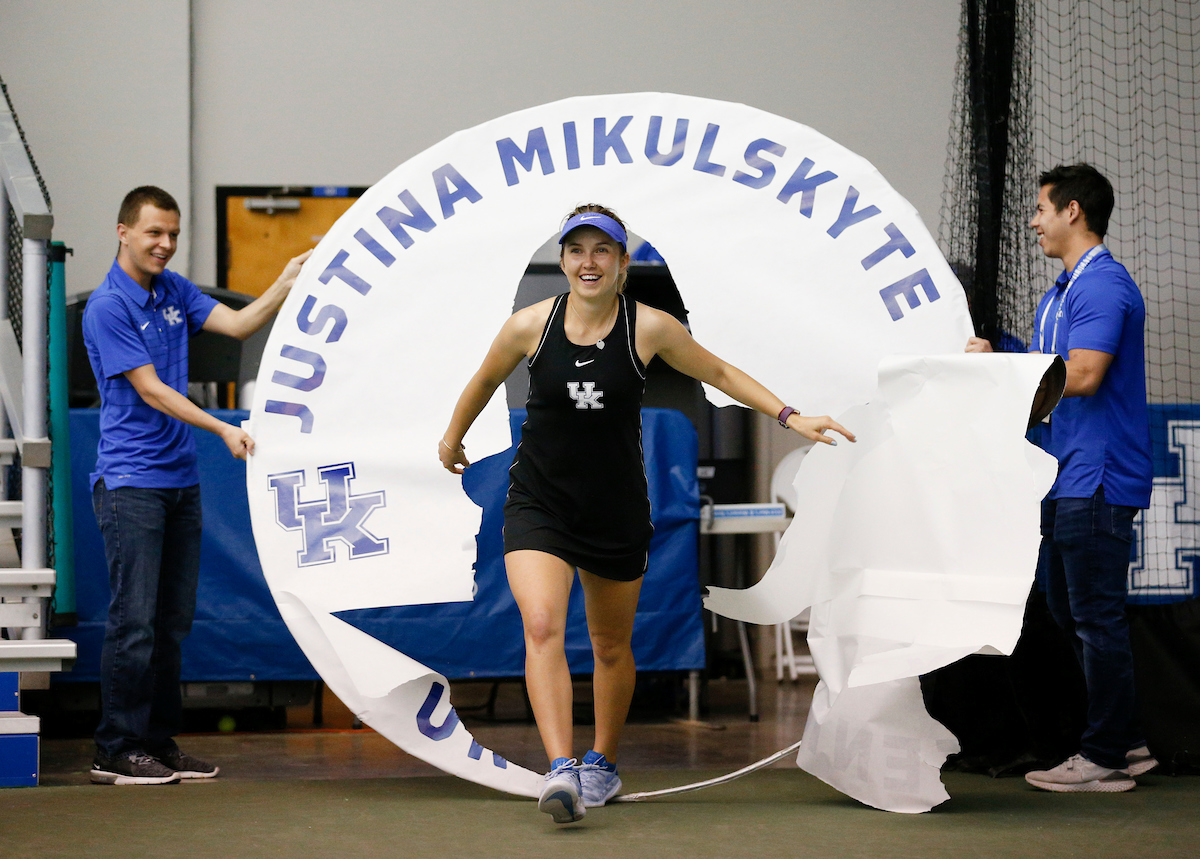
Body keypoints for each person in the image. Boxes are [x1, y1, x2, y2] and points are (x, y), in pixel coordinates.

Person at [440, 204, 854, 822]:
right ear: (563, 261)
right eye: (577, 250)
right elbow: (480, 381)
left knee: (610, 646)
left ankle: (600, 763)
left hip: (616, 508)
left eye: (602, 250)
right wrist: (452, 439)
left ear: (621, 264)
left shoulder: (650, 328)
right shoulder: (527, 326)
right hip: (539, 500)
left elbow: (717, 371)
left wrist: (791, 417)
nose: (589, 261)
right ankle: (560, 771)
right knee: (543, 625)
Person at [84, 186, 311, 785]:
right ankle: (115, 749)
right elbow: (151, 388)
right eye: (154, 232)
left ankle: (156, 743)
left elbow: (237, 325)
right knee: (133, 622)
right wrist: (221, 428)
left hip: (179, 482)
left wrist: (284, 281)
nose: (165, 244)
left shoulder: (174, 290)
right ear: (123, 231)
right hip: (131, 484)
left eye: (173, 234)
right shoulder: (108, 305)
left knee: (170, 623)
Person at [966, 164, 1156, 792]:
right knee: (1069, 609)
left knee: (1095, 618)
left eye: (1042, 209)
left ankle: (1103, 757)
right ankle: (1125, 743)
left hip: (1096, 478)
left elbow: (1082, 376)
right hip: (1064, 476)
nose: (1033, 220)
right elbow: (1046, 370)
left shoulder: (1102, 286)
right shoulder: (1061, 290)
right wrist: (999, 365)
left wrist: (1001, 377)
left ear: (1073, 211)